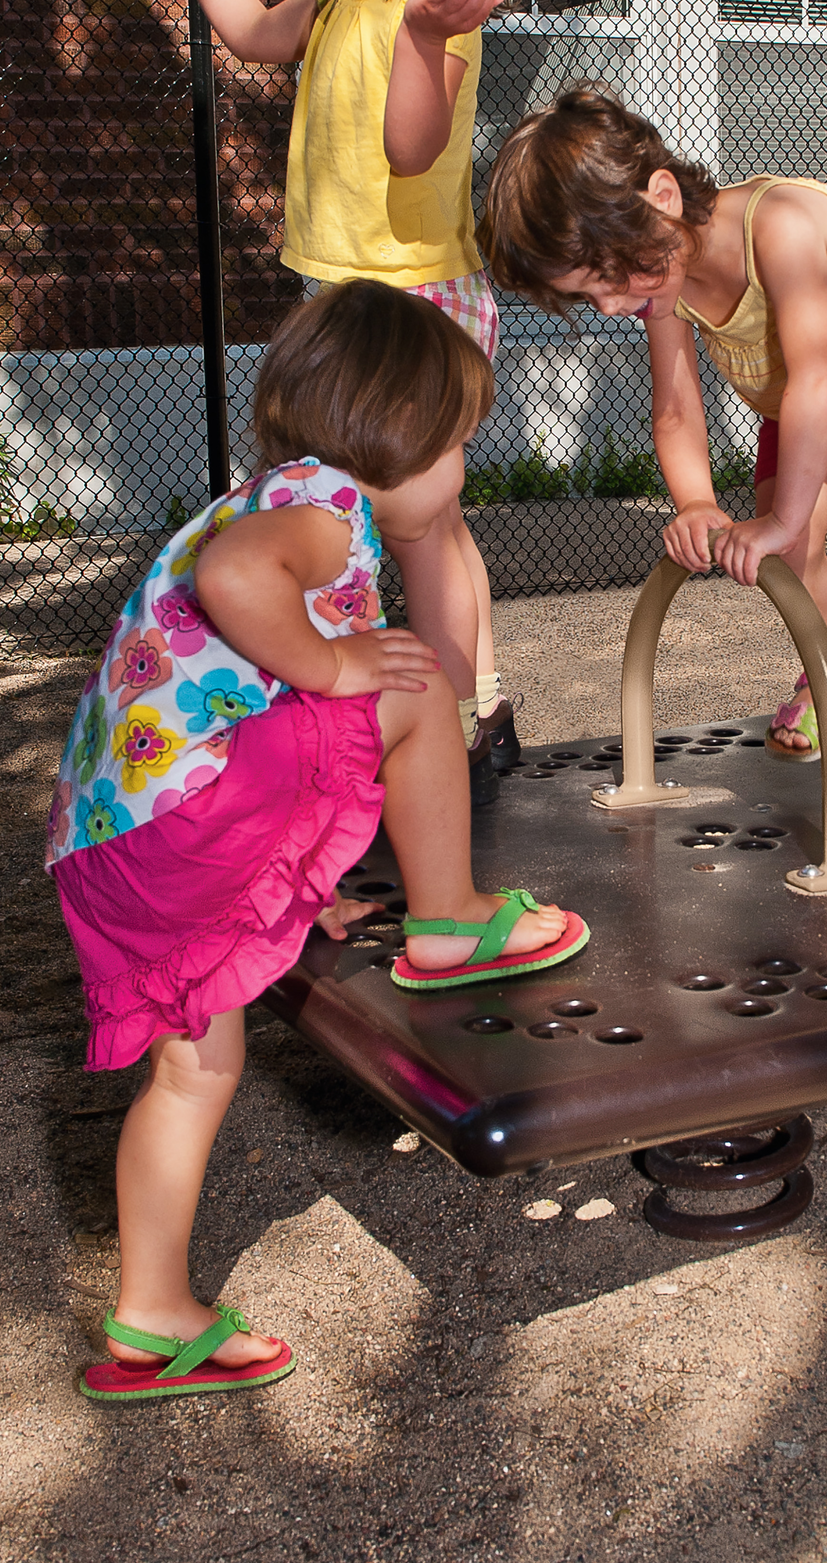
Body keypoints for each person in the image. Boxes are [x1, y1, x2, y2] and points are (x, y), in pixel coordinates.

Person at [50, 283, 587, 1405]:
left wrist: (288, 875)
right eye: (456, 445)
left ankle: (150, 1312)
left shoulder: (267, 494)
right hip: (180, 822)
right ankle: (451, 923)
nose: (459, 474)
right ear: (395, 427)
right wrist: (342, 666)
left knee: (194, 1069)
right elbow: (235, 583)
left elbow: (252, 712)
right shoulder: (318, 504)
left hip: (113, 846)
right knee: (413, 680)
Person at [123, 0, 534, 800]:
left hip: (414, 310)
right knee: (426, 518)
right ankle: (475, 698)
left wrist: (423, 45)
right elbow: (256, 34)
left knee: (411, 520)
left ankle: (443, 716)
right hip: (346, 301)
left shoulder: (435, 6)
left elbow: (411, 146)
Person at [482, 86, 827, 762]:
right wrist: (698, 504)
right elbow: (676, 409)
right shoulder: (661, 282)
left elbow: (819, 374)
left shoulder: (780, 226)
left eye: (610, 279)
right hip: (802, 403)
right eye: (589, 296)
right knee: (789, 559)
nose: (612, 307)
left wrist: (782, 516)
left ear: (663, 198)